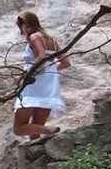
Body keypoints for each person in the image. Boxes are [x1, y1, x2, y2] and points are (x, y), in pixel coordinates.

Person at [12, 11, 70, 141]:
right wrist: (50, 70)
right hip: (49, 87)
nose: (21, 32)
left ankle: (47, 130)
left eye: (21, 27)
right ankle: (38, 144)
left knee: (18, 129)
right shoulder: (52, 40)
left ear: (26, 24)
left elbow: (41, 56)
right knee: (35, 129)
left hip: (33, 84)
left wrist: (26, 73)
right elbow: (66, 63)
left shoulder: (34, 37)